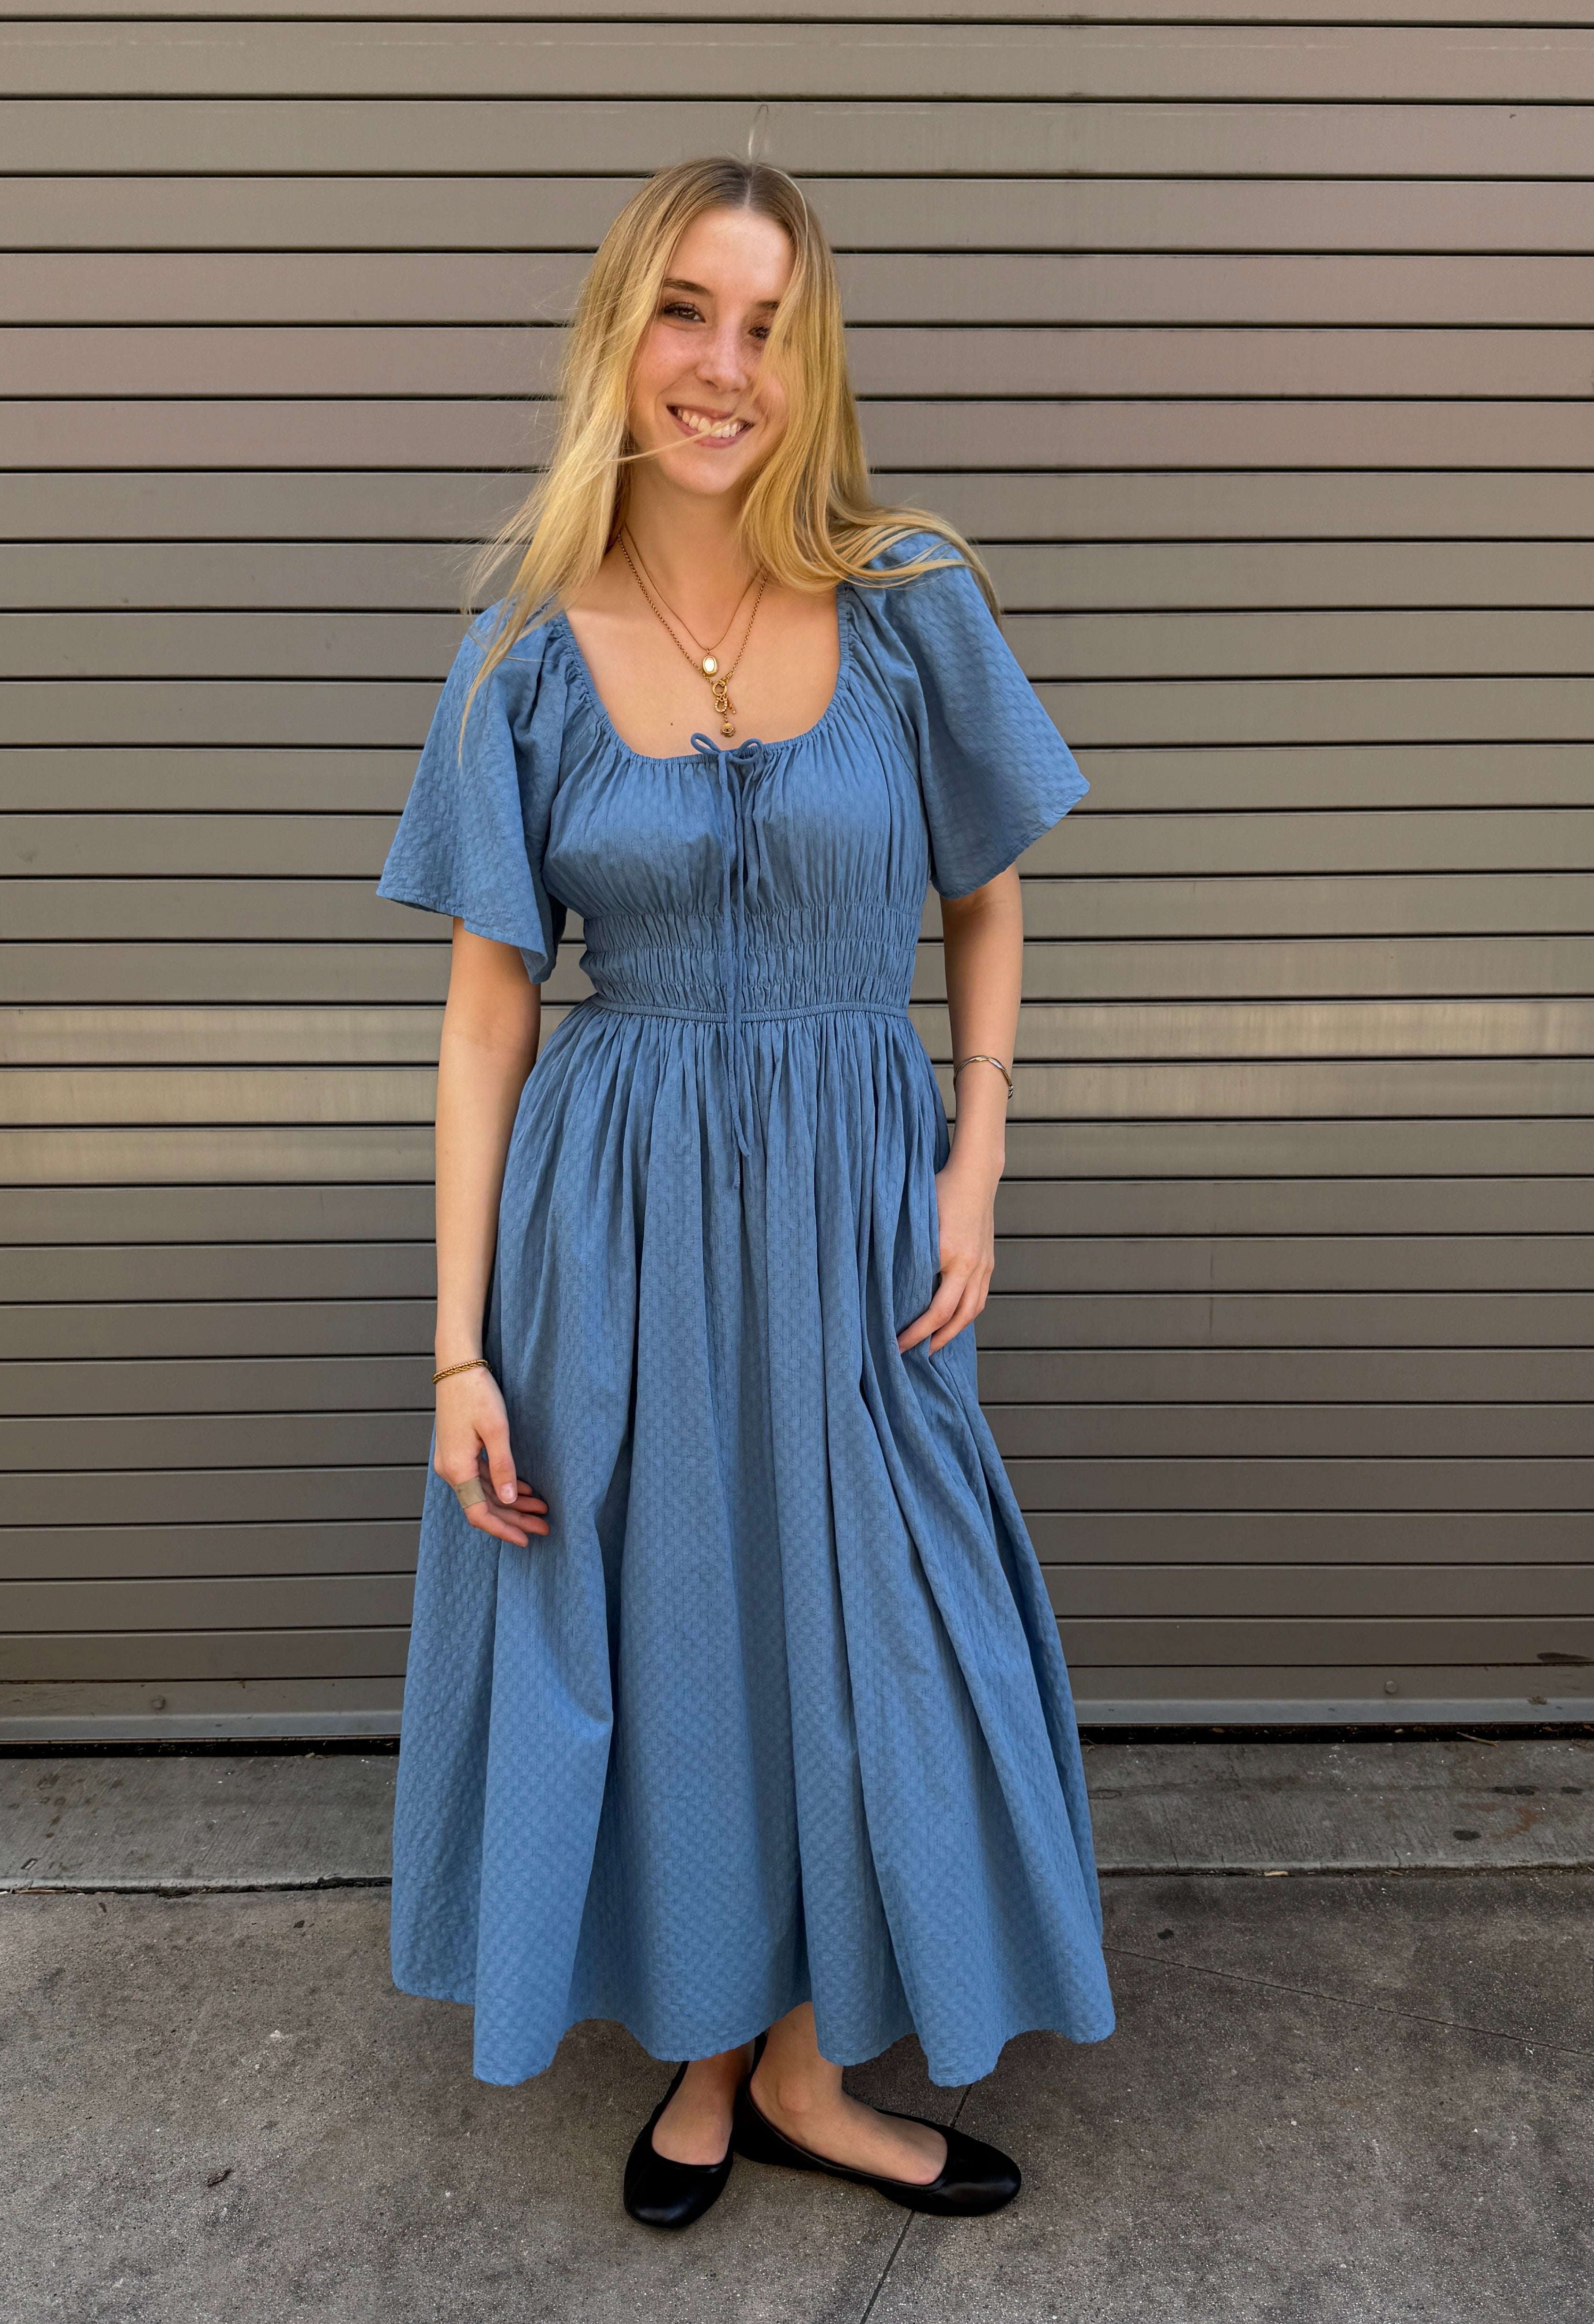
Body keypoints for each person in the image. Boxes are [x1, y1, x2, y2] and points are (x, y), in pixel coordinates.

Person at [376, 155, 1115, 2232]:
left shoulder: (905, 600)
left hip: (858, 1185)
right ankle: (717, 2042)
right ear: (621, 329)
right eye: (688, 312)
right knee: (676, 1618)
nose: (724, 367)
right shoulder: (526, 647)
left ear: (813, 355)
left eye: (768, 324)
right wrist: (454, 1342)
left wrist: (973, 1155)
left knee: (879, 1607)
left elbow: (986, 902)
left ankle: (797, 2054)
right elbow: (480, 1016)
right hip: (605, 1214)